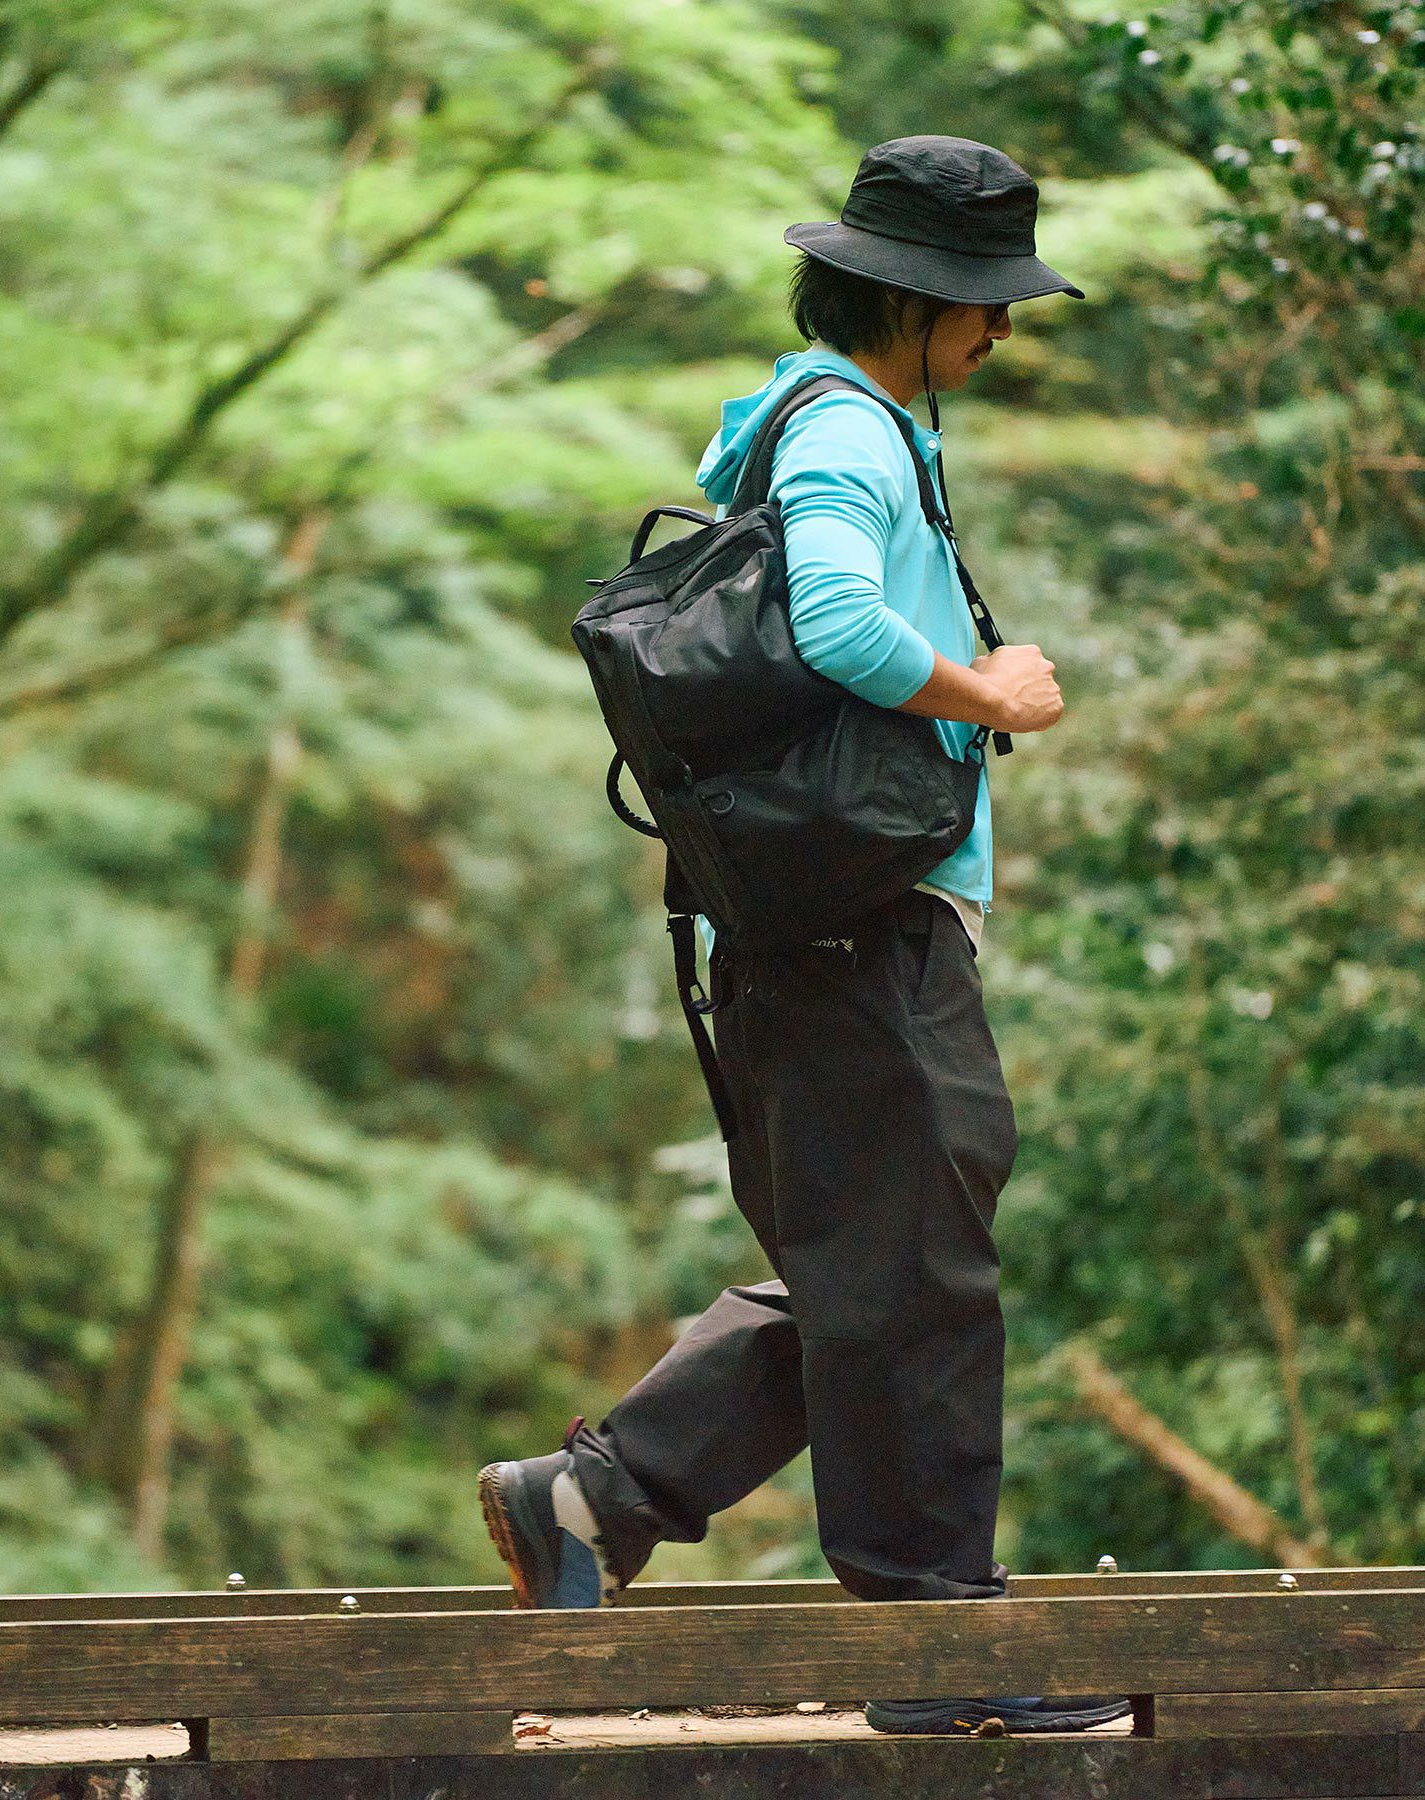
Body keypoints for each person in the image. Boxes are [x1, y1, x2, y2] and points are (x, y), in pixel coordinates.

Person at [478, 135, 1131, 1738]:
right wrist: (991, 693)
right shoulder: (847, 431)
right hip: (861, 932)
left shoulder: (803, 419)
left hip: (823, 932)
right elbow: (837, 620)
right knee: (915, 1271)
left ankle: (597, 1500)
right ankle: (934, 1654)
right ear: (909, 301)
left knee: (882, 1256)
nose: (1002, 331)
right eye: (984, 303)